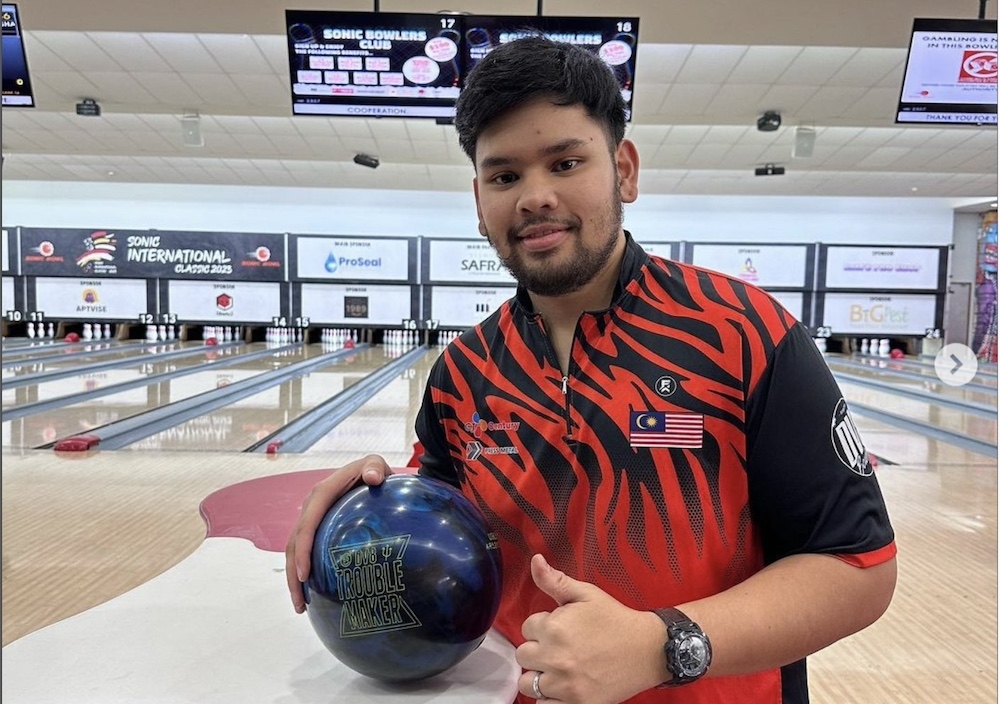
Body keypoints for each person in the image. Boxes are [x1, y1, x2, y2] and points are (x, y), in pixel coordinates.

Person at [286, 35, 897, 704]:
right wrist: (365, 513)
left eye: (566, 162)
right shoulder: (462, 374)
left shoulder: (744, 333)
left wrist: (663, 645)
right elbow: (441, 544)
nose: (535, 196)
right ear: (479, 199)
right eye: (504, 176)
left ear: (624, 170)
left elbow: (857, 567)